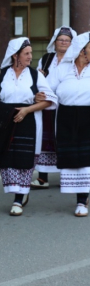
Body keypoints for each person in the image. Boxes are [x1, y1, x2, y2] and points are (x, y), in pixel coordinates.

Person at [0, 37, 57, 216]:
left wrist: (27, 109)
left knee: (24, 160)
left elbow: (51, 100)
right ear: (15, 56)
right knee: (8, 160)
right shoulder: (0, 75)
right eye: (27, 53)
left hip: (29, 123)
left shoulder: (35, 75)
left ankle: (18, 199)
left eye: (30, 53)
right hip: (6, 124)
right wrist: (3, 110)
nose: (30, 57)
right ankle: (20, 192)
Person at [31, 26, 77, 189]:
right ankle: (43, 178)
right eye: (61, 39)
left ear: (72, 43)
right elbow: (37, 78)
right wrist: (37, 93)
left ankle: (67, 177)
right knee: (45, 142)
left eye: (67, 40)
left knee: (64, 142)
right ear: (55, 42)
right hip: (47, 107)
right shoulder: (46, 58)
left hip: (66, 107)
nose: (63, 43)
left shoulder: (75, 60)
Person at [51, 32, 90, 217]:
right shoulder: (63, 69)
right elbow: (48, 89)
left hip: (88, 116)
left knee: (86, 158)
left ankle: (82, 200)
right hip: (66, 118)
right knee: (72, 159)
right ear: (82, 51)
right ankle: (80, 195)